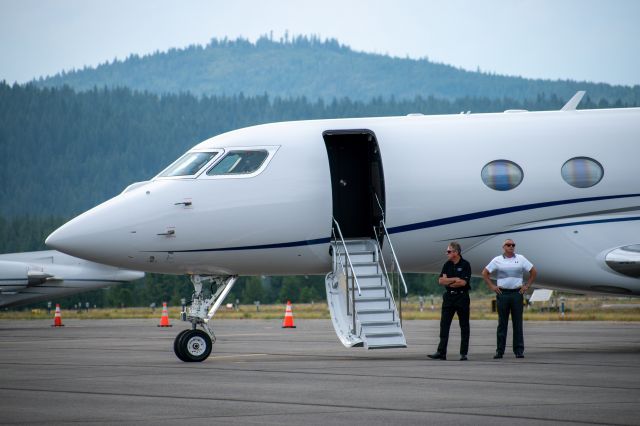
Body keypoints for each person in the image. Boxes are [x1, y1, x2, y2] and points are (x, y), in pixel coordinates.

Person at [482, 239, 537, 359]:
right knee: (502, 323)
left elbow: (533, 271)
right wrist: (492, 286)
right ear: (503, 247)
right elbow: (485, 273)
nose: (511, 247)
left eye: (513, 245)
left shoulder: (521, 258)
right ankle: (499, 351)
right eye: (508, 245)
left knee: (517, 323)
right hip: (503, 294)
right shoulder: (497, 260)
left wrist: (527, 286)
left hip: (517, 293)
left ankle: (519, 350)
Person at [428, 241, 471, 361]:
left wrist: (450, 281)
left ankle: (463, 353)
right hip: (449, 298)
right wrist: (455, 279)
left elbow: (463, 282)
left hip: (462, 297)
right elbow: (441, 281)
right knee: (444, 325)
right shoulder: (447, 264)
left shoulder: (466, 264)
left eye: (448, 251)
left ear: (456, 252)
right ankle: (441, 352)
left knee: (464, 325)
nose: (446, 253)